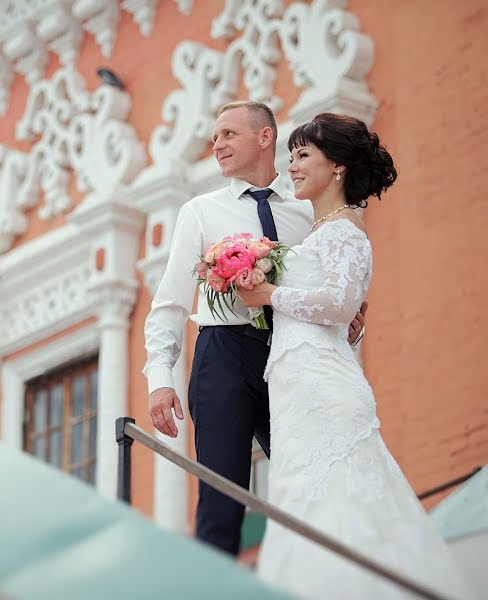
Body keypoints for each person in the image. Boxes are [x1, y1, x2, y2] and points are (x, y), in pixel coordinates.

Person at [237, 113, 471, 599]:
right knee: (306, 503)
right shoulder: (323, 232)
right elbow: (337, 315)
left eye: (303, 155)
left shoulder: (344, 231)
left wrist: (269, 296)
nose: (293, 166)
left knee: (337, 503)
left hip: (324, 395)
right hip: (300, 392)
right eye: (293, 155)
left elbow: (340, 303)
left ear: (337, 166)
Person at [142, 101, 366, 555]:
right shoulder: (199, 212)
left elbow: (331, 290)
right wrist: (159, 380)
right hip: (222, 356)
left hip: (290, 356)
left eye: (228, 134)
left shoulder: (309, 213)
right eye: (214, 137)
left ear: (265, 138)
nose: (217, 144)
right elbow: (169, 302)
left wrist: (352, 320)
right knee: (221, 501)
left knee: (313, 486)